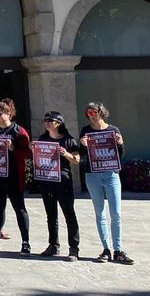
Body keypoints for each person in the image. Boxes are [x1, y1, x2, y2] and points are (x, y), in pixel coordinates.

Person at [80, 102, 134, 265]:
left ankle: (118, 249)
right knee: (99, 213)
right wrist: (82, 145)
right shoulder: (86, 130)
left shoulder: (113, 129)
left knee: (116, 213)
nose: (91, 114)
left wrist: (120, 143)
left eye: (93, 111)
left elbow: (121, 154)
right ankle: (106, 249)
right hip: (93, 174)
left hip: (111, 174)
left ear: (101, 112)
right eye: (88, 112)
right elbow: (83, 155)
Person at [0, 99, 32, 255]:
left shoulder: (19, 131)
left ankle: (25, 242)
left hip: (14, 175)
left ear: (8, 113)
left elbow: (28, 153)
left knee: (19, 208)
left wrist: (13, 147)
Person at [35, 111, 81, 262]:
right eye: (45, 120)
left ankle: (74, 249)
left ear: (59, 123)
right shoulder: (43, 138)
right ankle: (53, 245)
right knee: (51, 215)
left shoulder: (68, 140)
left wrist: (66, 154)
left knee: (69, 215)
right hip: (47, 180)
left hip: (63, 180)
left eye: (51, 121)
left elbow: (77, 160)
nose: (47, 123)